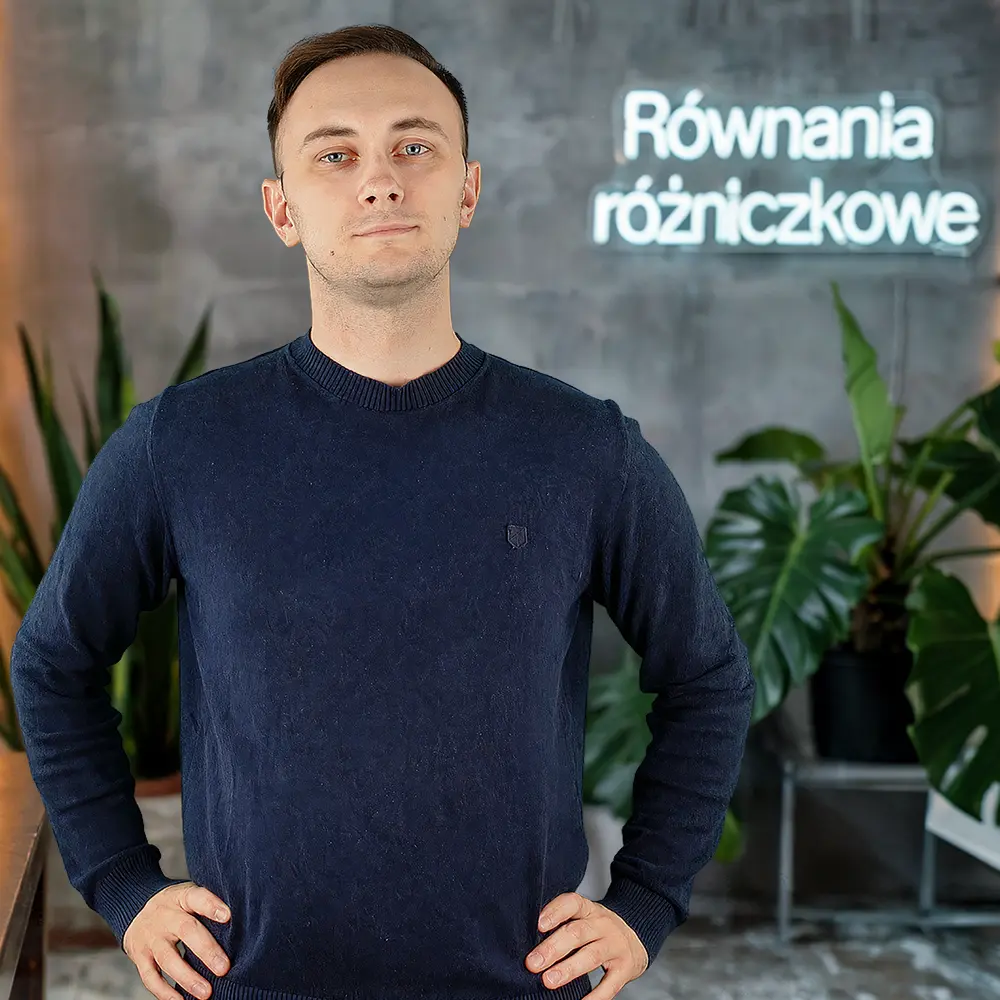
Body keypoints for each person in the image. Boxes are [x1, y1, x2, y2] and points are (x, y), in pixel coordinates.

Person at [9, 23, 755, 1000]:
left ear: (467, 190)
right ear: (281, 208)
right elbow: (52, 660)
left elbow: (708, 675)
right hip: (252, 985)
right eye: (335, 154)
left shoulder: (584, 449)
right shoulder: (181, 443)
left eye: (414, 145)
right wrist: (122, 881)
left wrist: (645, 898)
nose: (379, 180)